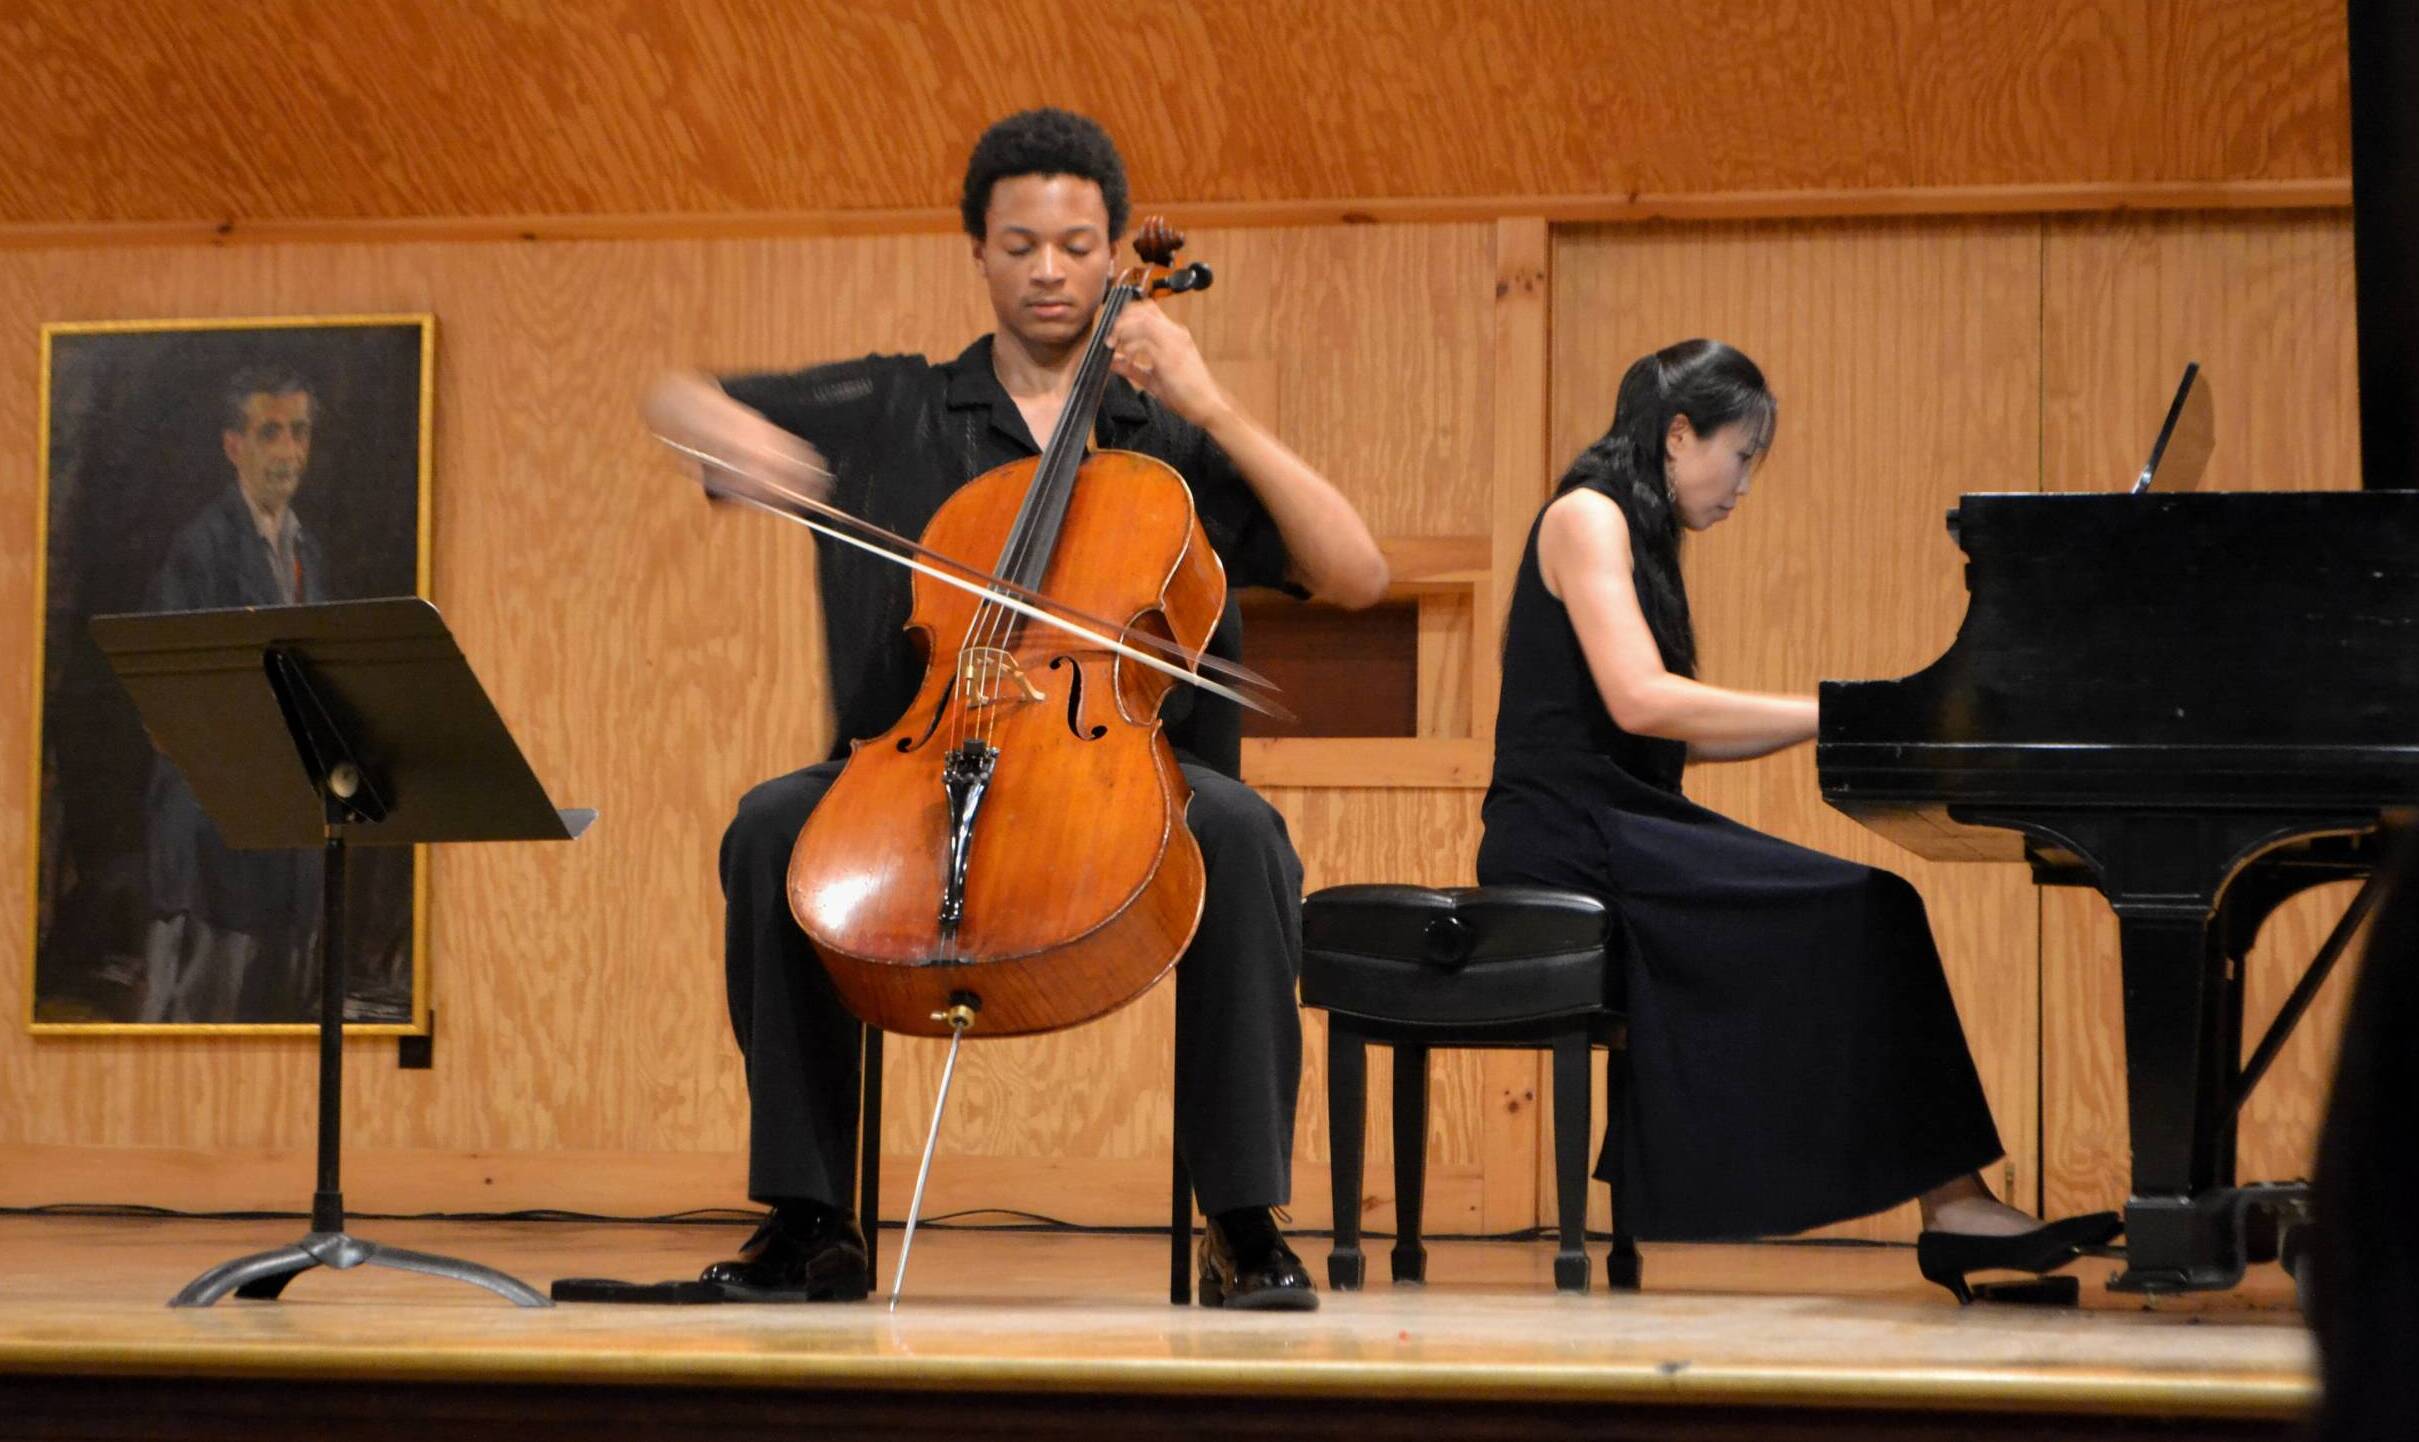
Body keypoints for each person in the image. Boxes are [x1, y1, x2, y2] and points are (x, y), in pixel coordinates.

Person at [650, 108, 1388, 1307]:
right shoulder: (901, 405)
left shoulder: (1164, 439)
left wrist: (1216, 405)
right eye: (1021, 244)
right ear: (978, 254)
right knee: (770, 827)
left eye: (1077, 244)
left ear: (1113, 257)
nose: (1050, 269)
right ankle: (807, 1218)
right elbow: (682, 400)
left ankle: (1242, 1221)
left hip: (1132, 777)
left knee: (1245, 838)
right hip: (916, 763)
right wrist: (727, 435)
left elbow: (1355, 572)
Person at [1473, 339, 2117, 1301]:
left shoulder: (1636, 533)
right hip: (1570, 840)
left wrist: (1846, 723)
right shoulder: (1585, 516)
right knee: (1867, 908)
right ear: (1679, 433)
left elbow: (1671, 731)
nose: (1741, 485)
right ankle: (1952, 1206)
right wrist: (1839, 711)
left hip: (1620, 822)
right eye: (1740, 456)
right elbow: (1646, 703)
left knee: (1876, 905)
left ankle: (1955, 1205)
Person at [137, 365, 329, 1022]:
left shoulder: (306, 550)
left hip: (284, 839)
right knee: (199, 1040)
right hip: (212, 844)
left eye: (298, 432)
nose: (287, 450)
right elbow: (166, 707)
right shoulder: (199, 549)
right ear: (233, 446)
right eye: (269, 431)